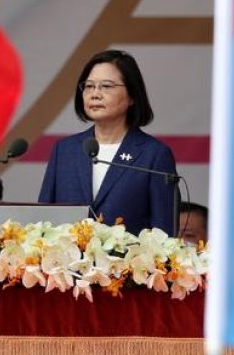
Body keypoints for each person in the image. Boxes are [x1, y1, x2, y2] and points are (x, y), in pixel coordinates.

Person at [38, 50, 178, 234]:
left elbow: (164, 233)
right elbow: (43, 223)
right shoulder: (65, 150)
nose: (95, 94)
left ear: (132, 96)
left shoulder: (154, 155)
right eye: (89, 86)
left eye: (106, 86)